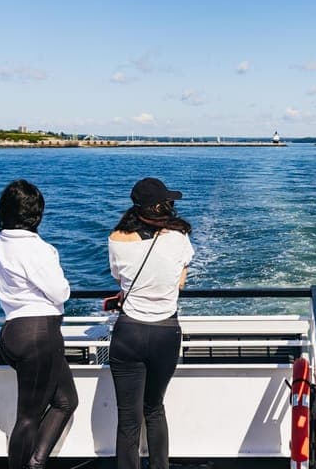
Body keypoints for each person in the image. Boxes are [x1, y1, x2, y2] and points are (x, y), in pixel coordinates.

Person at [0, 179, 78, 469]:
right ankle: (30, 465)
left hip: (13, 330)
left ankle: (35, 462)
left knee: (66, 400)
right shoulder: (37, 249)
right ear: (36, 213)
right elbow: (60, 291)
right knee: (28, 416)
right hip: (40, 333)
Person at [108, 177, 194, 469]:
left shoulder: (117, 239)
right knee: (154, 409)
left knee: (128, 419)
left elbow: (120, 279)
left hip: (129, 332)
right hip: (165, 334)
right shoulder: (179, 238)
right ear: (159, 207)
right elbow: (179, 283)